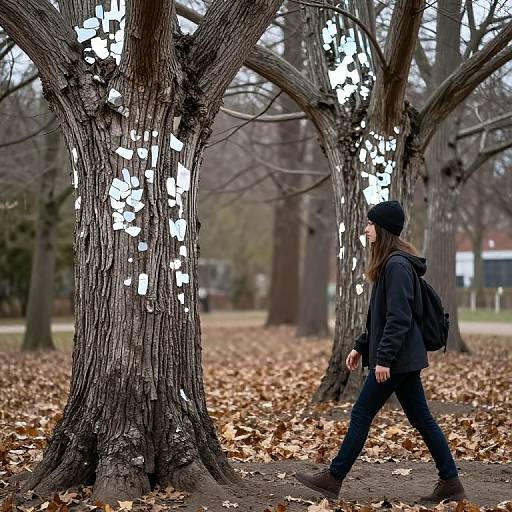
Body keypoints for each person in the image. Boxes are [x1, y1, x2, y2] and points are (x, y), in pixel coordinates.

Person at [295, 200, 466, 503]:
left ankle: (333, 479)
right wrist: (360, 347)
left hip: (397, 359)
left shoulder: (397, 266)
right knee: (422, 419)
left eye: (371, 224)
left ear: (383, 229)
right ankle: (450, 482)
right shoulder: (392, 263)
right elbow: (380, 315)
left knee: (362, 413)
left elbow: (398, 319)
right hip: (404, 357)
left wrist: (384, 358)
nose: (366, 229)